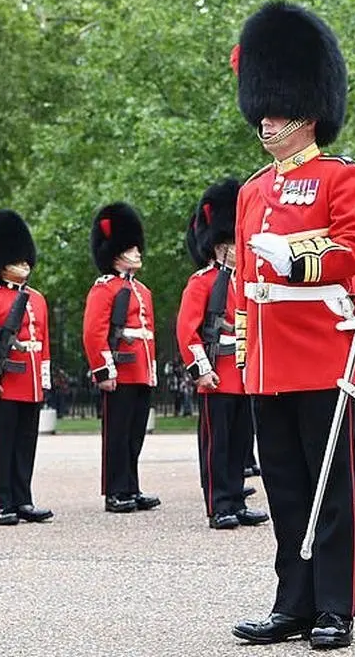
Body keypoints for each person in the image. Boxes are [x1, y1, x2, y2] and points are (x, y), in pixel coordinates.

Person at [228, 1, 355, 650]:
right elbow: (240, 282)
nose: (267, 119)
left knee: (330, 489)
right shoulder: (252, 190)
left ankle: (335, 606)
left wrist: (300, 258)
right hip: (267, 358)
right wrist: (239, 340)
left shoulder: (342, 179)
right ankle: (293, 601)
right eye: (263, 107)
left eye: (278, 108)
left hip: (321, 353)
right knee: (287, 486)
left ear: (308, 110)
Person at [177, 179, 269, 530]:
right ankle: (219, 505)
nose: (236, 247)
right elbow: (188, 331)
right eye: (230, 242)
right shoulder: (202, 282)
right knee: (217, 447)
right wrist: (201, 369)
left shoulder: (246, 281)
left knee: (241, 445)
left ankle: (237, 500)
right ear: (217, 246)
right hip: (217, 375)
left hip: (244, 375)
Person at [0, 209, 54, 526]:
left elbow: (43, 342)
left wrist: (43, 380)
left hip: (28, 381)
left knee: (25, 444)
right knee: (2, 445)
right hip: (5, 381)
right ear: (0, 264)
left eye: (26, 261)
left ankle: (23, 498)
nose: (25, 266)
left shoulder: (37, 299)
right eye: (17, 261)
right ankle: (3, 502)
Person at [83, 202, 160, 514]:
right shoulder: (105, 288)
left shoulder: (142, 290)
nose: (138, 253)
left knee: (134, 434)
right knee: (116, 434)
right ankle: (115, 491)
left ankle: (131, 485)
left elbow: (148, 333)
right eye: (131, 248)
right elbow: (93, 332)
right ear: (115, 253)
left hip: (140, 369)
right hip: (120, 369)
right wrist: (104, 370)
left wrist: (151, 370)